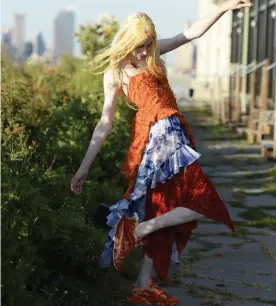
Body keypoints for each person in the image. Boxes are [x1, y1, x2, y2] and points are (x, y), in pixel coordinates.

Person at [71, 1, 253, 305]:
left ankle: (143, 279)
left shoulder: (154, 55)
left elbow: (189, 34)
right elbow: (105, 123)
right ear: (127, 41)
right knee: (200, 202)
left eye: (148, 45)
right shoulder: (114, 74)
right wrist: (83, 167)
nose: (144, 52)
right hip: (159, 135)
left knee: (161, 203)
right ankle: (140, 230)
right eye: (139, 46)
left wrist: (224, 9)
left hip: (169, 131)